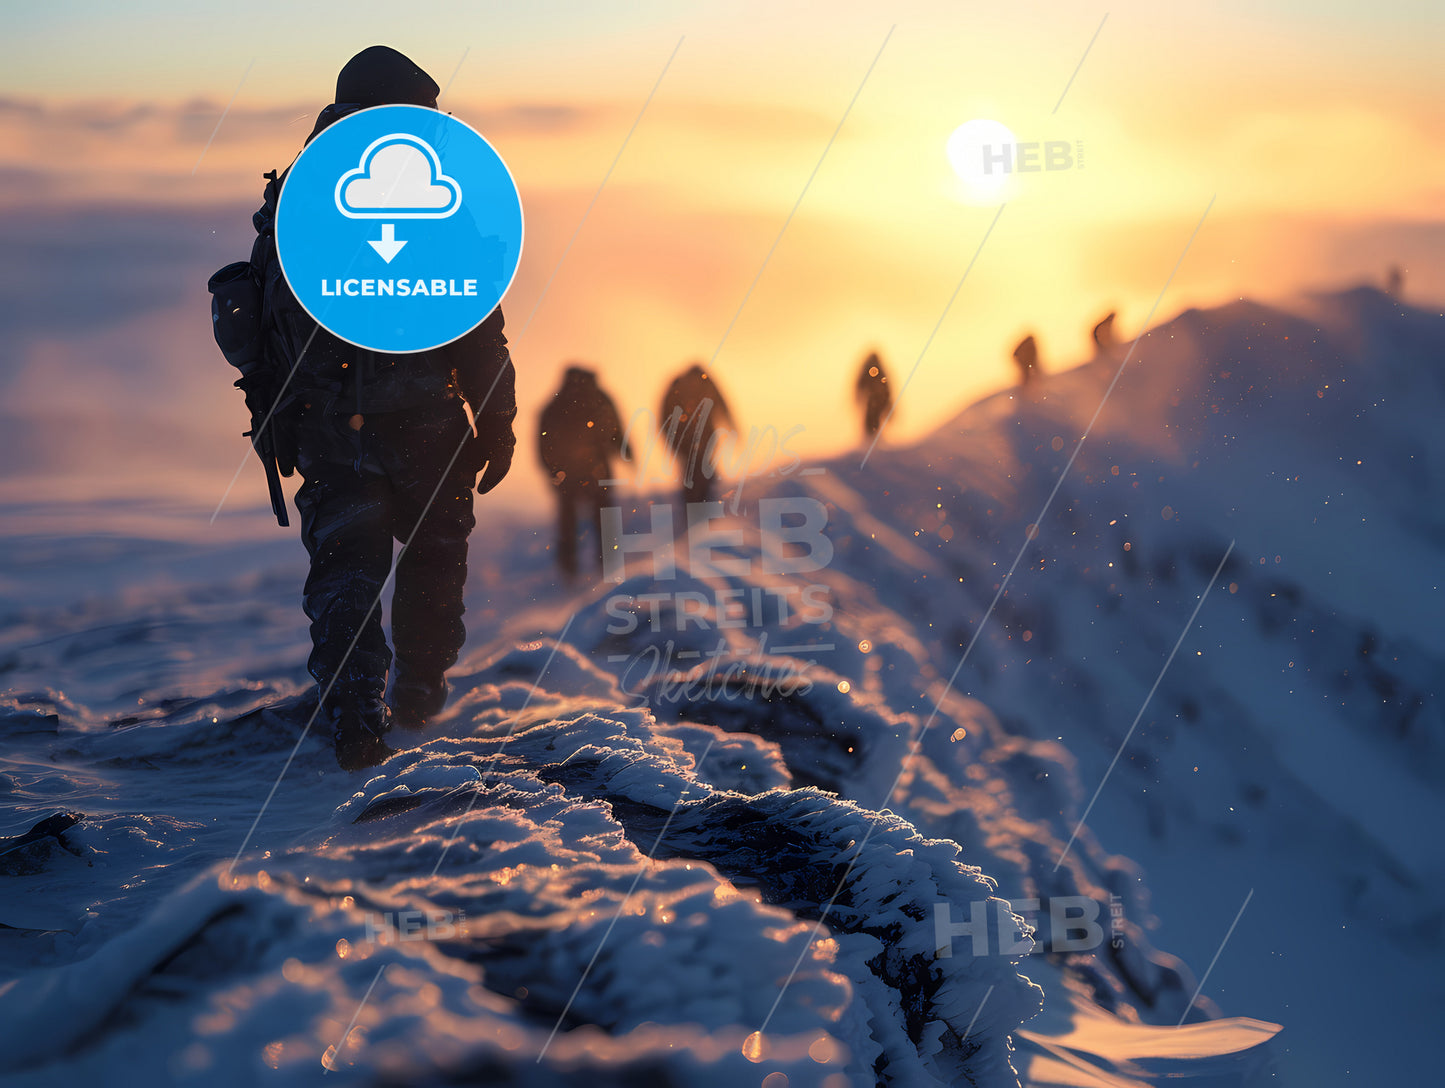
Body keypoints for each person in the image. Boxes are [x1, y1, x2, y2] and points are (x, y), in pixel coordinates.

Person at [248, 47, 516, 769]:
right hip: (427, 423)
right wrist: (496, 420)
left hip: (326, 427)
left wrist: (277, 423)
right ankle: (419, 698)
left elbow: (264, 323)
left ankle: (358, 719)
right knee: (432, 566)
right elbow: (475, 319)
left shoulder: (294, 195)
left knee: (345, 573)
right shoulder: (437, 192)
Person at [538, 366, 626, 578]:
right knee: (603, 518)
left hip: (567, 473)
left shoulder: (557, 402)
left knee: (569, 521)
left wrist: (551, 469)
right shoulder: (599, 398)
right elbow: (615, 428)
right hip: (598, 470)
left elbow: (544, 440)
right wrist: (626, 451)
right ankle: (609, 565)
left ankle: (569, 569)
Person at [659, 363, 735, 507]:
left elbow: (664, 417)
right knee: (702, 473)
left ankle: (696, 509)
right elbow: (723, 405)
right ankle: (702, 508)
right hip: (700, 440)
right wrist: (732, 426)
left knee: (693, 475)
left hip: (686, 442)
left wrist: (670, 440)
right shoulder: (705, 382)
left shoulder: (677, 385)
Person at [855, 351, 891, 440]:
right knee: (873, 421)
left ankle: (872, 442)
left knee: (872, 421)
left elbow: (860, 385)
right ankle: (872, 441)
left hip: (874, 402)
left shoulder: (868, 370)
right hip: (875, 401)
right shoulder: (878, 370)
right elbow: (886, 388)